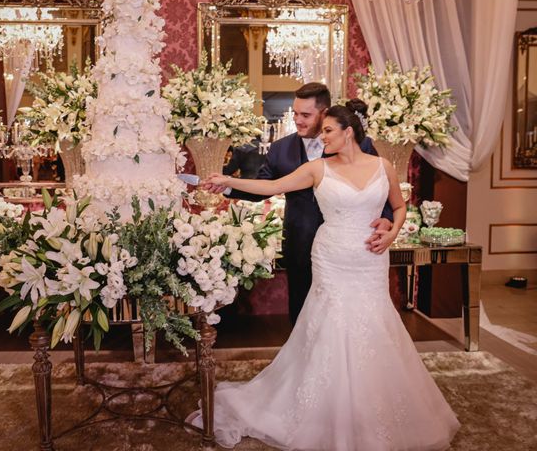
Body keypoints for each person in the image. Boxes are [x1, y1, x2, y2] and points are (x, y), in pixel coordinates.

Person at [189, 101, 460, 450]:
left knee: (373, 324)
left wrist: (392, 230)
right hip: (332, 257)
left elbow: (399, 206)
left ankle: (372, 410)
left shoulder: (384, 166)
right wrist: (227, 181)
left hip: (370, 258)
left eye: (328, 130)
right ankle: (322, 410)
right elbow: (273, 187)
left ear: (348, 132)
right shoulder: (317, 168)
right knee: (331, 326)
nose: (322, 136)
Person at [205, 83, 393, 325]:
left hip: (350, 247)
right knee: (302, 308)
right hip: (300, 240)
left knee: (348, 313)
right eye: (295, 113)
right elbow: (264, 188)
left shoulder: (357, 144)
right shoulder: (280, 149)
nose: (298, 120)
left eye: (305, 115)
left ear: (324, 113)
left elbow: (382, 188)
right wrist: (229, 186)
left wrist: (387, 219)